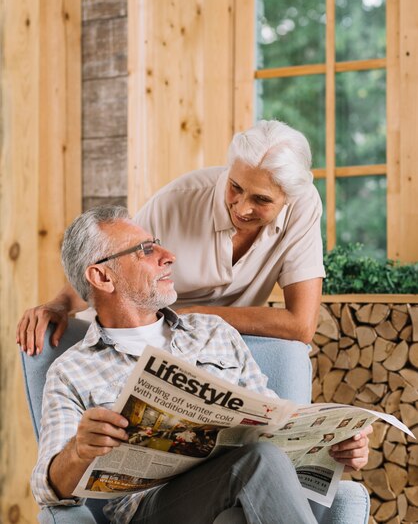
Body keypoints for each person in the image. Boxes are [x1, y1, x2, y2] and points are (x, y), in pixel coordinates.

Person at [31, 206, 370, 524]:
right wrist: (78, 451)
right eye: (146, 251)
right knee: (259, 461)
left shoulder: (214, 333)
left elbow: (275, 425)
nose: (169, 257)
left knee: (263, 473)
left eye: (158, 245)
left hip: (240, 493)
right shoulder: (71, 371)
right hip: (154, 508)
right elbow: (48, 489)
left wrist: (332, 447)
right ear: (102, 277)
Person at [17, 120, 324, 358]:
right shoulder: (179, 200)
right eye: (235, 187)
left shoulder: (304, 205)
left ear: (288, 197)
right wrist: (58, 304)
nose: (242, 207)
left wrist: (198, 317)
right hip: (139, 335)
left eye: (261, 199)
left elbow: (300, 325)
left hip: (210, 340)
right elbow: (108, 263)